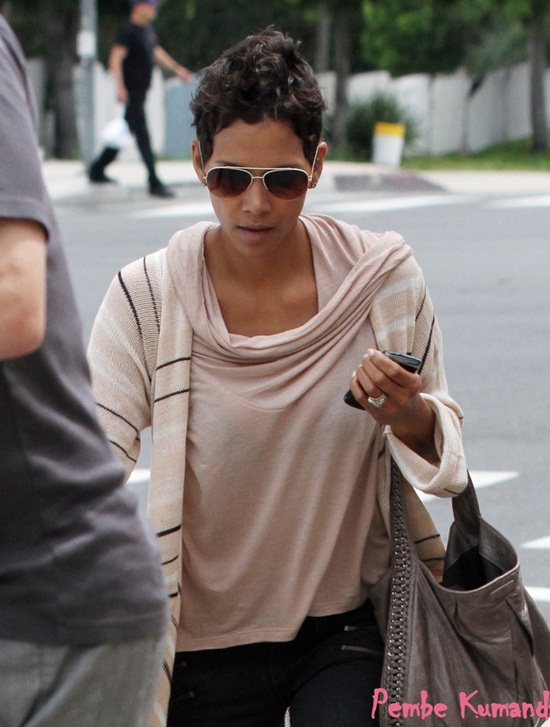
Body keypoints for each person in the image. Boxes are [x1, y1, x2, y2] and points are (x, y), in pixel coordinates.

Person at [87, 28, 468, 727]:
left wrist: (406, 414)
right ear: (199, 163)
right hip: (201, 643)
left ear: (316, 166)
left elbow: (444, 457)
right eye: (230, 179)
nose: (255, 205)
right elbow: (90, 465)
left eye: (283, 180)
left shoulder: (379, 281)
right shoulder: (147, 298)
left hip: (344, 626)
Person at [0, 14, 169, 727]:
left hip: (51, 612)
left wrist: (140, 80)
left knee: (134, 138)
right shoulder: (133, 33)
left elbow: (14, 299)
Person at [88, 0, 191, 198]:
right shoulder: (129, 31)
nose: (154, 9)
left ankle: (96, 170)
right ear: (138, 7)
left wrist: (177, 69)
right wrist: (120, 88)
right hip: (132, 93)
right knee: (143, 136)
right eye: (150, 5)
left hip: (141, 93)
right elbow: (115, 59)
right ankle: (153, 181)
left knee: (125, 131)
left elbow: (156, 51)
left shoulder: (146, 30)